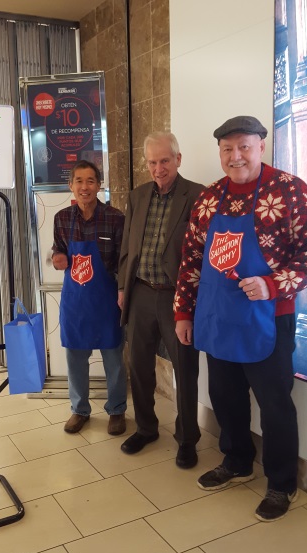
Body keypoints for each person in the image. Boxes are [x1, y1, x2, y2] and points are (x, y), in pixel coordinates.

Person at [175, 115, 307, 520]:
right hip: (216, 314)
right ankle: (237, 460)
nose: (235, 155)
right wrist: (183, 312)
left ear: (261, 145)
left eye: (244, 146)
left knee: (275, 404)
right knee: (225, 396)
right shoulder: (209, 199)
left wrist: (273, 284)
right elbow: (190, 261)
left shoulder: (290, 191)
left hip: (269, 319)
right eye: (227, 148)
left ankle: (281, 484)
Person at [118, 131, 204, 468]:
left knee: (185, 368)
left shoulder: (197, 195)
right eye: (152, 162)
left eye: (164, 161)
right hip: (139, 292)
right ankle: (146, 428)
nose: (158, 168)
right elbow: (127, 247)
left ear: (178, 160)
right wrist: (122, 288)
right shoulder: (137, 196)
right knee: (138, 365)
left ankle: (187, 438)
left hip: (176, 297)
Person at [52, 160, 127, 436]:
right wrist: (57, 258)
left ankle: (117, 410)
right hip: (76, 303)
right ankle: (79, 409)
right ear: (71, 185)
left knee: (114, 361)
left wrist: (122, 292)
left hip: (107, 301)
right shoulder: (61, 218)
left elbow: (124, 260)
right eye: (79, 181)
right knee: (75, 359)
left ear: (98, 185)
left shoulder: (115, 218)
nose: (85, 187)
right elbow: (58, 251)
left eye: (90, 181)